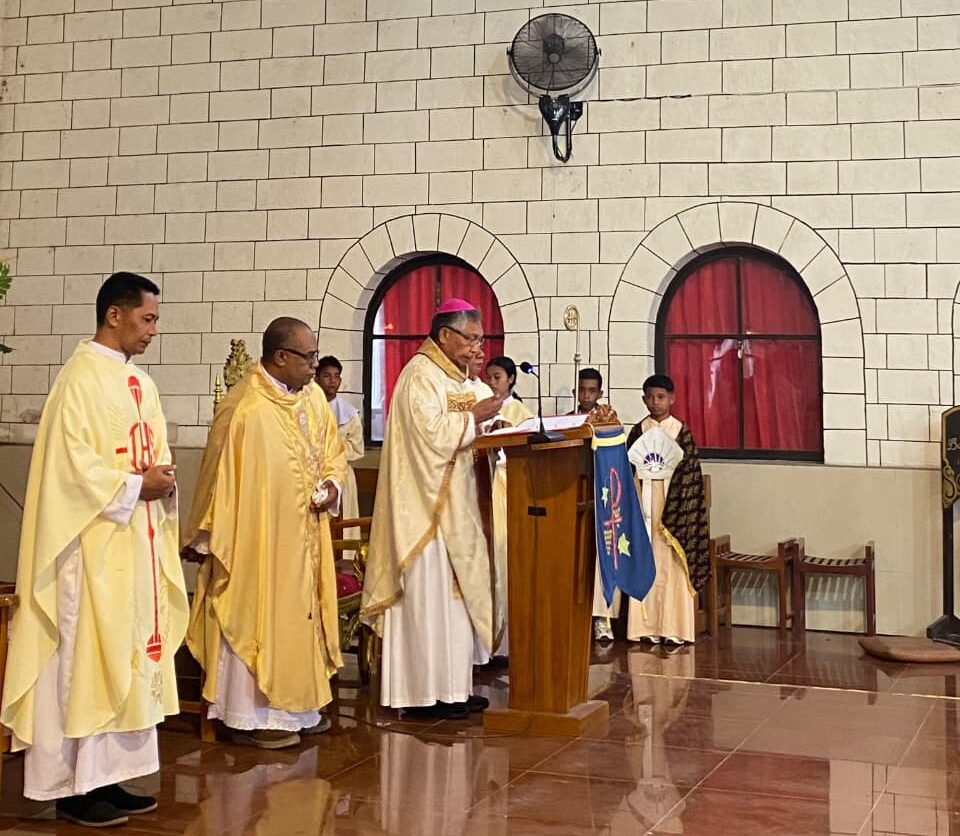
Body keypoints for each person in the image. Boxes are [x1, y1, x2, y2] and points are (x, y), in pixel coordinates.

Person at [1, 272, 188, 827]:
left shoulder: (140, 383)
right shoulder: (78, 380)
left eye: (156, 320)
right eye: (147, 318)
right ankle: (71, 786)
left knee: (124, 659)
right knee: (82, 662)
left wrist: (162, 482)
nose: (153, 330)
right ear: (114, 314)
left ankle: (107, 777)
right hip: (88, 554)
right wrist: (134, 486)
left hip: (133, 546)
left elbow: (153, 453)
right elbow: (71, 471)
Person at [183, 317, 348, 749]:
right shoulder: (245, 407)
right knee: (256, 615)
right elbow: (216, 477)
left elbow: (334, 452)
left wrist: (333, 485)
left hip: (305, 539)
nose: (315, 366)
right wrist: (205, 536)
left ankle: (298, 711)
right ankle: (250, 717)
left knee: (300, 620)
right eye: (309, 357)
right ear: (280, 357)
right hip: (257, 543)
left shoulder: (312, 398)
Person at [361, 298, 502, 720]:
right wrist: (473, 419)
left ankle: (454, 688)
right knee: (429, 601)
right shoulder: (418, 376)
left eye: (480, 339)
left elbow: (479, 419)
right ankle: (422, 694)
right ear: (444, 335)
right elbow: (428, 437)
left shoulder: (462, 378)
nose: (477, 347)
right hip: (425, 513)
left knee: (456, 605)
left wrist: (494, 425)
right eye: (471, 338)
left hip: (460, 509)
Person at [625, 374, 710, 646]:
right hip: (644, 504)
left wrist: (676, 508)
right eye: (650, 397)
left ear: (672, 398)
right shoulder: (638, 432)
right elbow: (627, 471)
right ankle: (645, 627)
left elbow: (691, 475)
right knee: (646, 560)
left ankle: (675, 628)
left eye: (661, 397)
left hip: (673, 507)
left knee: (672, 566)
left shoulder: (681, 431)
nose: (655, 402)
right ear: (643, 399)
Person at [483, 356, 535, 664]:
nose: (491, 382)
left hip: (508, 491)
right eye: (488, 376)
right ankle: (484, 643)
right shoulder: (478, 407)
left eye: (498, 377)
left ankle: (506, 643)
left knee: (505, 560)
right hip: (483, 489)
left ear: (512, 379)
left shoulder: (522, 414)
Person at [315, 356, 365, 558]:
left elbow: (357, 449)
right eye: (327, 376)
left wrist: (333, 446)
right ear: (317, 378)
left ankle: (343, 561)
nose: (332, 381)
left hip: (342, 474)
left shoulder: (349, 414)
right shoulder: (308, 408)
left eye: (336, 376)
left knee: (341, 522)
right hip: (315, 473)